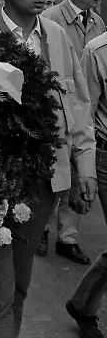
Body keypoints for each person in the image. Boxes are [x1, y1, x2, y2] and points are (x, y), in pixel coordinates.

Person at [0, 0, 97, 338]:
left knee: (19, 281)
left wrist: (84, 168)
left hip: (44, 182)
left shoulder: (56, 36)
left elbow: (78, 104)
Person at [39, 0, 106, 264]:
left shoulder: (97, 22)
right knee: (53, 172)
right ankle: (40, 230)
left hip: (82, 105)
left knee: (78, 173)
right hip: (54, 107)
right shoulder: (50, 19)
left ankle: (68, 238)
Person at [68, 30, 107, 338]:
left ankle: (82, 303)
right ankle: (84, 306)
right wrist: (81, 174)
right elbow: (83, 115)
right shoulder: (98, 51)